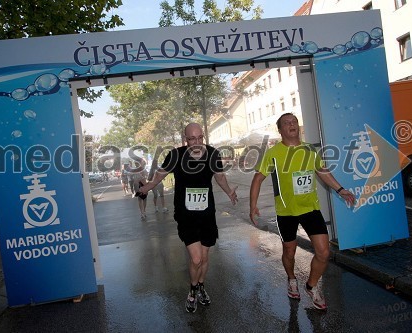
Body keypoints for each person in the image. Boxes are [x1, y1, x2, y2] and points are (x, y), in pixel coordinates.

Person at [249, 113, 355, 310]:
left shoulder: (309, 149)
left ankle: (312, 285)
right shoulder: (273, 153)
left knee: (324, 252)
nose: (292, 125)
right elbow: (257, 179)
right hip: (286, 212)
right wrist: (252, 206)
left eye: (294, 122)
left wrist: (341, 190)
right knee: (289, 251)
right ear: (280, 130)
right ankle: (291, 279)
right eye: (287, 123)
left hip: (310, 208)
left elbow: (322, 171)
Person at [139, 123, 238, 313]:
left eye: (200, 137)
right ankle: (192, 291)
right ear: (186, 139)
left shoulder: (212, 154)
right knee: (196, 258)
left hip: (207, 213)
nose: (197, 142)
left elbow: (219, 177)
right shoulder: (176, 155)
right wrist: (147, 187)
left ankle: (201, 286)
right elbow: (159, 176)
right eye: (193, 139)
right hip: (185, 214)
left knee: (205, 257)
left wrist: (229, 193)